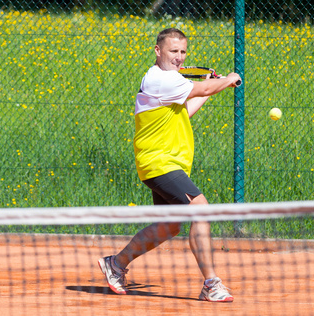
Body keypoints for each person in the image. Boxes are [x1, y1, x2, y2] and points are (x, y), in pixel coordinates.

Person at [98, 28, 241, 302]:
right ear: (157, 51)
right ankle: (211, 283)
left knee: (169, 226)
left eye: (183, 52)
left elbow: (186, 110)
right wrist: (228, 80)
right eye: (173, 51)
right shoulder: (160, 79)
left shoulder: (170, 82)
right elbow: (204, 86)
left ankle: (115, 264)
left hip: (165, 164)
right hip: (159, 162)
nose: (178, 57)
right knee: (201, 210)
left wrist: (212, 88)